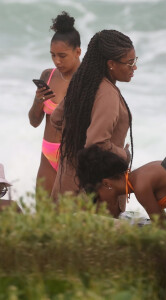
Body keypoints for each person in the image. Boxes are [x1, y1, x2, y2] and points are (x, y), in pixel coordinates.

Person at [50, 29, 136, 204]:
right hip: (91, 196)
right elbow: (96, 143)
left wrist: (77, 137)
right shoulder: (108, 94)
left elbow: (56, 119)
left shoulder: (82, 85)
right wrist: (123, 155)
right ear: (111, 64)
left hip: (64, 187)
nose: (134, 67)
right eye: (130, 62)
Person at [28, 11, 81, 195]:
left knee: (68, 216)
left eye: (62, 55)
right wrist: (37, 101)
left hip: (73, 156)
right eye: (52, 55)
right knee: (44, 214)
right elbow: (34, 122)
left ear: (78, 52)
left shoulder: (87, 80)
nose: (57, 61)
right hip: (47, 153)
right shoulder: (48, 75)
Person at [76, 145, 166, 221]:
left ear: (107, 184)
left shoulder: (141, 187)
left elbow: (164, 229)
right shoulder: (141, 175)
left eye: (97, 197)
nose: (100, 201)